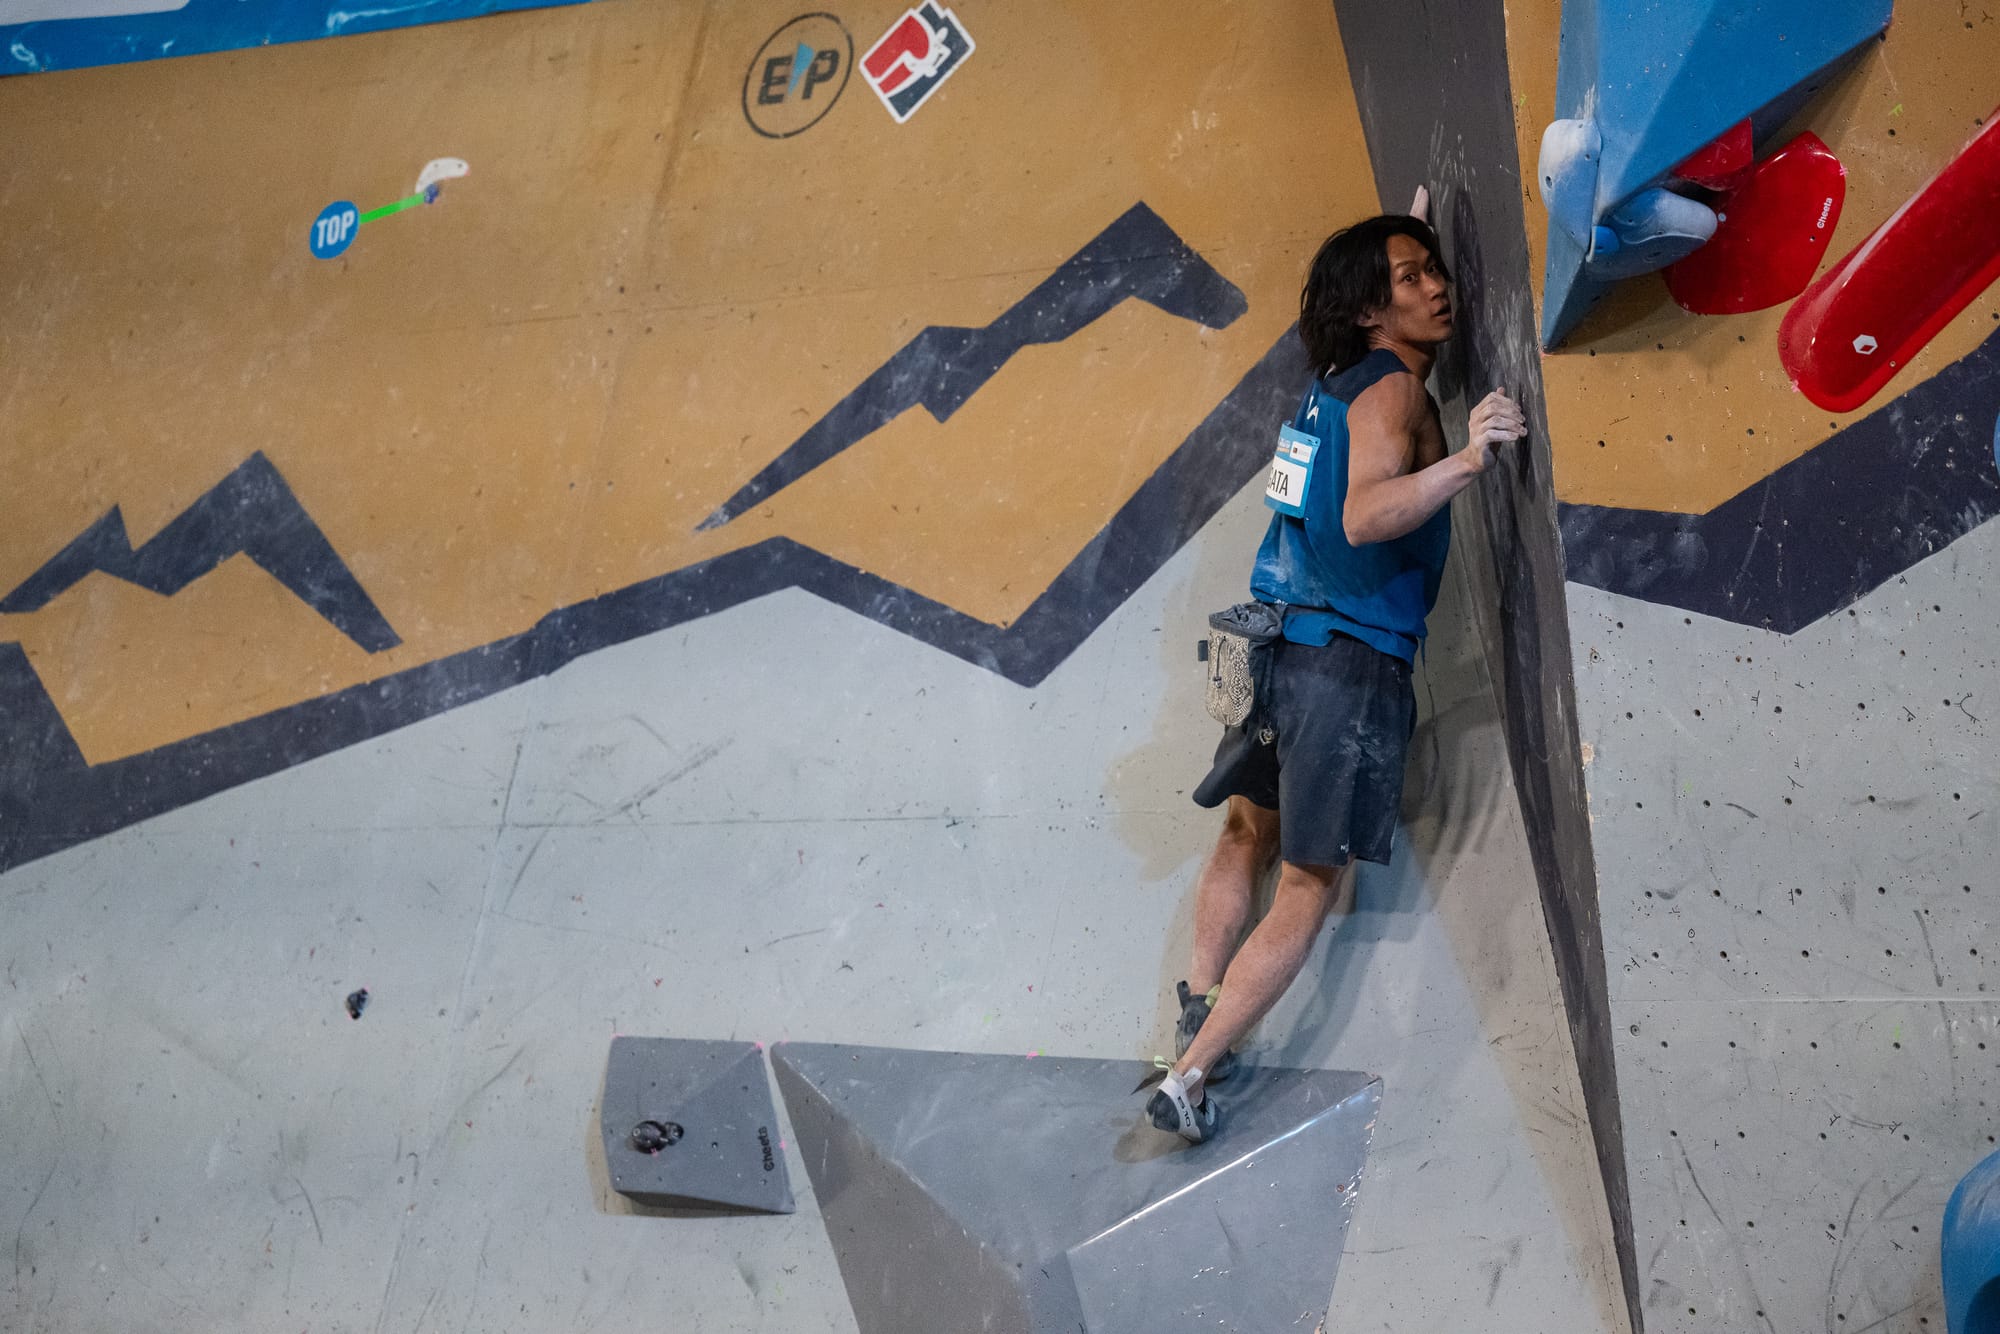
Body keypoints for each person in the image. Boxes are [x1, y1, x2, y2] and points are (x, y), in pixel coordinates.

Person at [1147, 188, 1526, 1142]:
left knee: (1246, 832)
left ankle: (1198, 1003)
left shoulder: (1331, 384)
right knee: (1309, 883)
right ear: (1369, 309)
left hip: (1272, 643)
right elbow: (1364, 515)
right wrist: (1469, 459)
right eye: (1412, 278)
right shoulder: (1396, 392)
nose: (1438, 288)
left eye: (1433, 270)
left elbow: (1324, 487)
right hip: (1347, 665)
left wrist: (1396, 235)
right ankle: (1191, 1078)